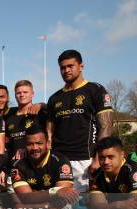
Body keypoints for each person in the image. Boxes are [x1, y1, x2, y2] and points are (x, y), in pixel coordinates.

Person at [47, 49, 114, 193]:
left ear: (81, 66)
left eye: (70, 66)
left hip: (85, 159)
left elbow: (106, 127)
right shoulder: (54, 98)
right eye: (62, 67)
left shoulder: (95, 90)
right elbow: (49, 132)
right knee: (61, 205)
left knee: (88, 207)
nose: (66, 70)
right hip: (60, 159)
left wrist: (99, 157)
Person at [4, 80, 48, 160]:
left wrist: (42, 105)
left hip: (37, 163)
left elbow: (53, 108)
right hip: (15, 164)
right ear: (15, 95)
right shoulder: (9, 117)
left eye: (25, 92)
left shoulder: (41, 113)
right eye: (18, 93)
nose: (22, 95)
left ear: (32, 94)